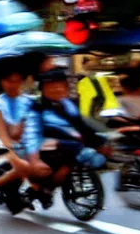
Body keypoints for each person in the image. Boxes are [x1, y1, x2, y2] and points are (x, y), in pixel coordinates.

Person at [23, 67, 108, 207]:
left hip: (67, 145)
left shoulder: (69, 105)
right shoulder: (36, 107)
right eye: (52, 86)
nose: (57, 89)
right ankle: (44, 189)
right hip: (43, 146)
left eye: (60, 85)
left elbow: (81, 126)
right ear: (43, 89)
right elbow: (32, 133)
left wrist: (99, 142)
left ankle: (49, 187)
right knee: (70, 154)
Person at [0, 66, 33, 214]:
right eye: (9, 81)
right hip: (7, 144)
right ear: (3, 82)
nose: (12, 84)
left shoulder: (29, 101)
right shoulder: (0, 102)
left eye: (16, 81)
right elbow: (3, 132)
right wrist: (10, 149)